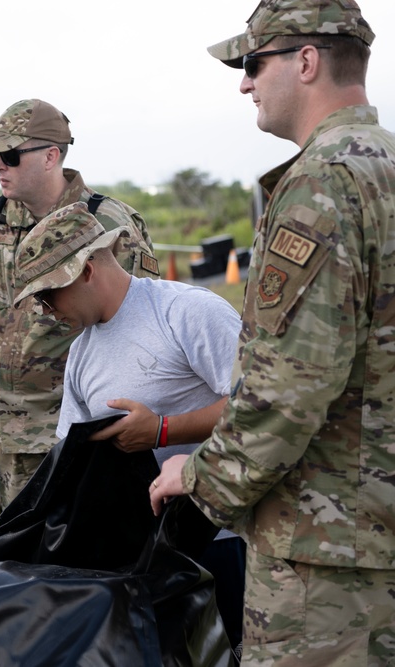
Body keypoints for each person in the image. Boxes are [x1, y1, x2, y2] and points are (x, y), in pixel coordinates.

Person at [149, 2, 395, 664]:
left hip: (324, 565)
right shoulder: (386, 167)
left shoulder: (321, 185)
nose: (244, 83)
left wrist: (198, 480)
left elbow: (288, 390)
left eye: (254, 63)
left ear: (307, 62)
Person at [9, 201, 246, 654]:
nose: (44, 309)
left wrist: (162, 430)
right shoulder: (80, 353)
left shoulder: (187, 312)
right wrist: (4, 546)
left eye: (48, 294)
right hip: (143, 553)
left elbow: (263, 408)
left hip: (220, 539)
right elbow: (67, 472)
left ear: (85, 270)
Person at [0, 98, 157, 511]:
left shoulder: (108, 223)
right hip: (10, 437)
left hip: (83, 433)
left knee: (84, 558)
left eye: (9, 154)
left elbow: (146, 331)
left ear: (51, 156)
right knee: (22, 560)